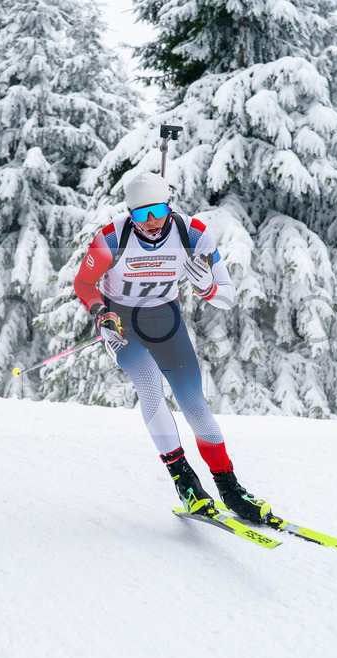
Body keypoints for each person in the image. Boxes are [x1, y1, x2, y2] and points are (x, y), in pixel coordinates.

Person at [73, 171, 276, 524]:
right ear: (129, 213)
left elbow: (227, 297)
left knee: (195, 404)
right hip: (122, 324)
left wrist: (208, 289)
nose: (150, 223)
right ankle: (186, 482)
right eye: (140, 215)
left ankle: (230, 489)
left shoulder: (192, 234)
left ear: (169, 205)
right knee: (149, 383)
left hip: (165, 322)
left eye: (156, 212)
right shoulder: (111, 237)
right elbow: (84, 282)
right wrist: (101, 312)